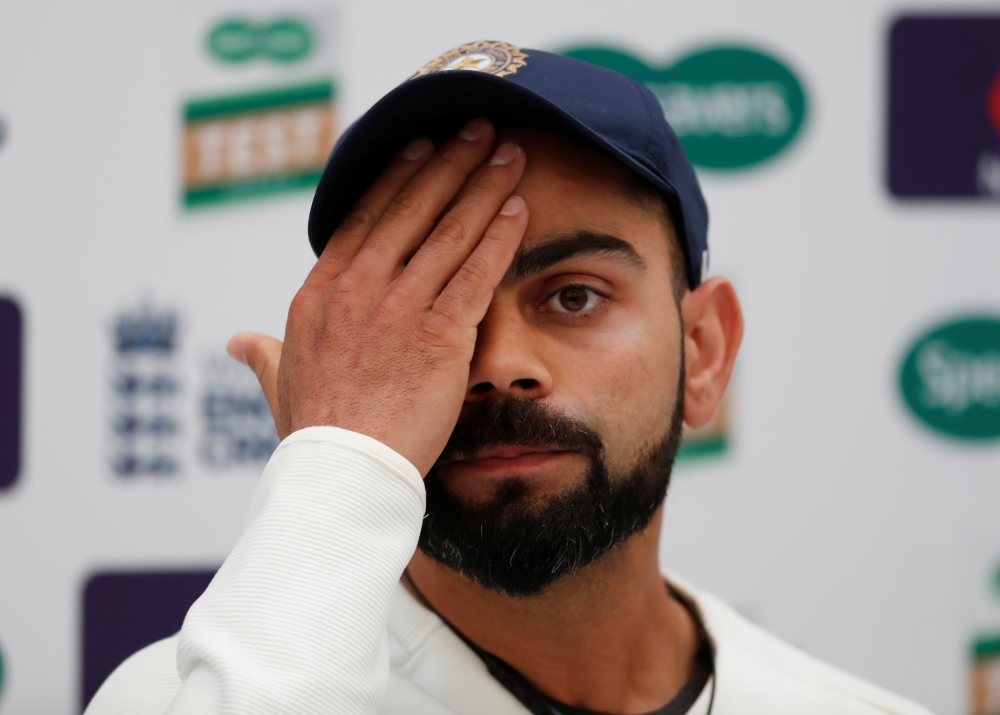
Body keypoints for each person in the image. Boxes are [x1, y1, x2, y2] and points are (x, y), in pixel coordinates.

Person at [85, 41, 933, 715]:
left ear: (705, 351)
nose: (497, 365)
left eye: (574, 295)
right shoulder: (170, 699)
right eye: (435, 306)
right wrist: (333, 471)